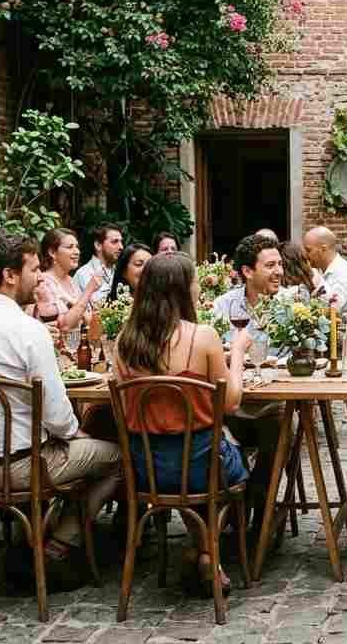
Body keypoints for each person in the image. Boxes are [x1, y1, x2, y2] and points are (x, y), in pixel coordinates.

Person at [0, 231, 121, 580]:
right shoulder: (27, 330)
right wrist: (76, 432)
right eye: (34, 270)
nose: (39, 279)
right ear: (9, 275)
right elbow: (58, 419)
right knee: (119, 456)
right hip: (24, 468)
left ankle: (29, 534)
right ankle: (63, 541)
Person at [114, 252, 247, 593]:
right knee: (244, 449)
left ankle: (201, 549)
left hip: (147, 471)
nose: (199, 288)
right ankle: (208, 551)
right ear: (181, 290)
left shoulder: (124, 342)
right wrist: (239, 355)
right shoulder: (203, 336)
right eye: (194, 282)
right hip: (202, 468)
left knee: (193, 448)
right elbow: (231, 402)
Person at [210, 233, 284, 536]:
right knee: (218, 434)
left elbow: (307, 353)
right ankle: (236, 502)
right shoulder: (223, 306)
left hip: (273, 403)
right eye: (270, 265)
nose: (279, 271)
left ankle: (259, 505)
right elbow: (216, 351)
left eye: (280, 264)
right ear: (247, 272)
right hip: (233, 405)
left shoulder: (292, 303)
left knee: (279, 432)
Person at [35, 228, 102, 332]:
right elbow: (64, 326)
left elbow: (90, 322)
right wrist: (89, 290)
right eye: (70, 247)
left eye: (77, 247)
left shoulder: (72, 281)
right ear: (52, 252)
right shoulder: (43, 283)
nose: (77, 252)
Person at [304, 226, 347, 313]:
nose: (305, 255)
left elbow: (333, 309)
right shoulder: (320, 270)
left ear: (323, 249)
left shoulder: (344, 272)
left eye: (308, 250)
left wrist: (316, 279)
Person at [74, 223, 124, 301]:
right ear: (98, 245)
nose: (121, 247)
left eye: (121, 242)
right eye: (115, 242)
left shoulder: (121, 273)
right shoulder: (82, 275)